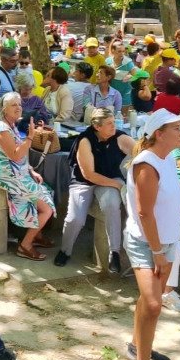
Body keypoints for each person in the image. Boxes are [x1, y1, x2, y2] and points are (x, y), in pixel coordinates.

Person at [124, 109, 180, 360]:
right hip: (147, 244)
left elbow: (171, 192)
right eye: (176, 128)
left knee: (149, 302)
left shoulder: (168, 158)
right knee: (152, 304)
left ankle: (138, 346)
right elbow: (144, 213)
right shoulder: (146, 164)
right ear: (160, 134)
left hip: (169, 240)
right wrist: (158, 252)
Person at [56, 108, 134, 271]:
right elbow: (89, 174)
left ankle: (115, 253)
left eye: (114, 122)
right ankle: (65, 250)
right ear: (97, 126)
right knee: (75, 219)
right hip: (84, 181)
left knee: (111, 204)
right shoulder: (85, 140)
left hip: (111, 177)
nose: (114, 126)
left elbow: (141, 153)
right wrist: (119, 185)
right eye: (109, 123)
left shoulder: (120, 137)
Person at [0, 93, 55, 261]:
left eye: (19, 104)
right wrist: (31, 136)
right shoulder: (1, 128)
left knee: (48, 190)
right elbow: (15, 156)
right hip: (8, 176)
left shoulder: (10, 125)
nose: (18, 107)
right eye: (13, 105)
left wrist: (30, 169)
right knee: (47, 208)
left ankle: (36, 233)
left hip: (18, 172)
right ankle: (26, 245)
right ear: (4, 109)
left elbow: (19, 157)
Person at [107, 42, 139, 114]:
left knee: (122, 115)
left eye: (123, 51)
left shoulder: (128, 63)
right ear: (113, 50)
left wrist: (130, 76)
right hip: (111, 92)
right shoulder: (108, 61)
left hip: (125, 93)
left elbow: (136, 76)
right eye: (119, 51)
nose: (122, 54)